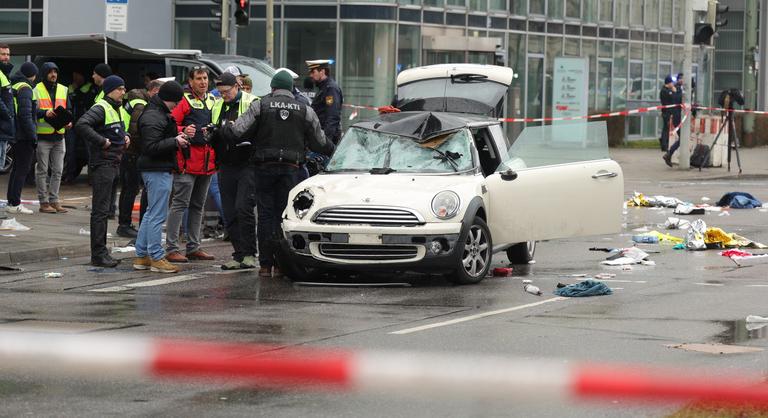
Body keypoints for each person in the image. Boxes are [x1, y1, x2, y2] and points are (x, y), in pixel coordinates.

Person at [220, 70, 334, 278]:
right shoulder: (305, 109)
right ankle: (283, 264)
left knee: (265, 215)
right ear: (291, 88)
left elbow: (237, 131)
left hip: (264, 167)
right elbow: (320, 141)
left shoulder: (261, 105)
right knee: (285, 215)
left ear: (272, 88)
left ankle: (265, 265)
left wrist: (224, 130)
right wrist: (334, 149)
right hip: (292, 169)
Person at [75, 76, 130, 267]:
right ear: (109, 90)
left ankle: (102, 252)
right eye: (120, 89)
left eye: (124, 89)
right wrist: (101, 141)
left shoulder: (117, 108)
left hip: (114, 164)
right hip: (103, 165)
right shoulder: (101, 107)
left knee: (105, 211)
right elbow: (82, 124)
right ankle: (98, 254)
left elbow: (116, 130)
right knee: (100, 211)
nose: (123, 92)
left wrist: (126, 137)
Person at [133, 80, 187, 274]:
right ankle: (156, 256)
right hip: (157, 169)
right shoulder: (155, 115)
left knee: (150, 213)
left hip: (155, 168)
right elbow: (150, 147)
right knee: (157, 215)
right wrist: (175, 141)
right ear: (169, 99)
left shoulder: (155, 112)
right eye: (176, 101)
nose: (177, 106)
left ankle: (142, 256)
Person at [207, 72, 259, 270]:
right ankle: (238, 254)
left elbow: (255, 130)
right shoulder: (218, 104)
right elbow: (215, 129)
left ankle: (249, 254)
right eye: (220, 92)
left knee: (243, 208)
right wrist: (210, 134)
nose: (224, 96)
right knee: (229, 211)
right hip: (226, 163)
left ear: (237, 86)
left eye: (227, 92)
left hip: (247, 163)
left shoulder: (251, 102)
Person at [167, 66, 217, 263]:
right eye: (198, 78)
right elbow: (169, 124)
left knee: (198, 206)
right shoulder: (184, 101)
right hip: (187, 162)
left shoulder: (213, 100)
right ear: (190, 81)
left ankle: (194, 247)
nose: (203, 82)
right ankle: (171, 248)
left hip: (207, 163)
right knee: (179, 204)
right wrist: (182, 129)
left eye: (205, 78)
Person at [116, 78, 164, 238]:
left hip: (130, 151)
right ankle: (124, 225)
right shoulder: (141, 105)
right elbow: (136, 132)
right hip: (132, 152)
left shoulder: (139, 101)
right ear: (155, 91)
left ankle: (124, 224)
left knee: (129, 188)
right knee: (131, 189)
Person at [34, 62, 72, 214]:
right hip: (43, 136)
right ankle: (44, 203)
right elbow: (32, 111)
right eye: (50, 72)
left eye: (55, 72)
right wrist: (45, 113)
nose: (53, 74)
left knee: (58, 170)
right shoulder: (36, 90)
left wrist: (69, 121)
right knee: (42, 171)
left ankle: (54, 200)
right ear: (44, 74)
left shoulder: (63, 89)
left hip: (59, 135)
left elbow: (68, 109)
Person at [5, 62, 38, 215]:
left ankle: (11, 201)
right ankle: (15, 203)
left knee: (16, 169)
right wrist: (33, 136)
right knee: (22, 170)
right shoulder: (26, 88)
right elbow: (25, 115)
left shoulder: (16, 85)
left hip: (15, 133)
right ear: (33, 74)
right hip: (23, 136)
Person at [306, 59, 343, 145]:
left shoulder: (331, 89)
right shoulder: (323, 88)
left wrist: (326, 142)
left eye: (313, 72)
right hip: (320, 136)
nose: (311, 75)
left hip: (326, 138)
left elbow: (332, 117)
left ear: (322, 72)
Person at [660, 75, 683, 167]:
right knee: (681, 138)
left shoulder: (672, 90)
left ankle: (669, 153)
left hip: (675, 115)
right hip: (672, 115)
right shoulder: (666, 91)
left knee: (682, 138)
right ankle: (668, 152)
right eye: (671, 82)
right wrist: (675, 91)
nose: (673, 84)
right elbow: (675, 100)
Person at [0, 43, 14, 167]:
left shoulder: (4, 74)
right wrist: (9, 114)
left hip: (4, 129)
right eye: (3, 54)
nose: (6, 57)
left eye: (8, 54)